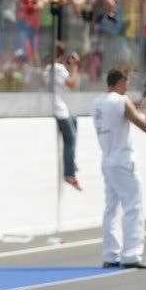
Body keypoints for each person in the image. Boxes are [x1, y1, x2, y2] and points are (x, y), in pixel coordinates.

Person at [92, 69, 146, 269]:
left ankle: (111, 253)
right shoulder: (121, 101)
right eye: (127, 82)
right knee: (133, 207)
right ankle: (131, 254)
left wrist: (134, 106)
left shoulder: (98, 102)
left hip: (107, 158)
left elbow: (120, 114)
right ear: (121, 81)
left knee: (111, 208)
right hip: (123, 160)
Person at [45, 41, 82, 191]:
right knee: (70, 140)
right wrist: (74, 67)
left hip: (56, 108)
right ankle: (69, 173)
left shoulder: (48, 68)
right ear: (61, 55)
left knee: (74, 120)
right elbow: (71, 83)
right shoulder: (59, 68)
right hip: (59, 110)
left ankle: (70, 160)